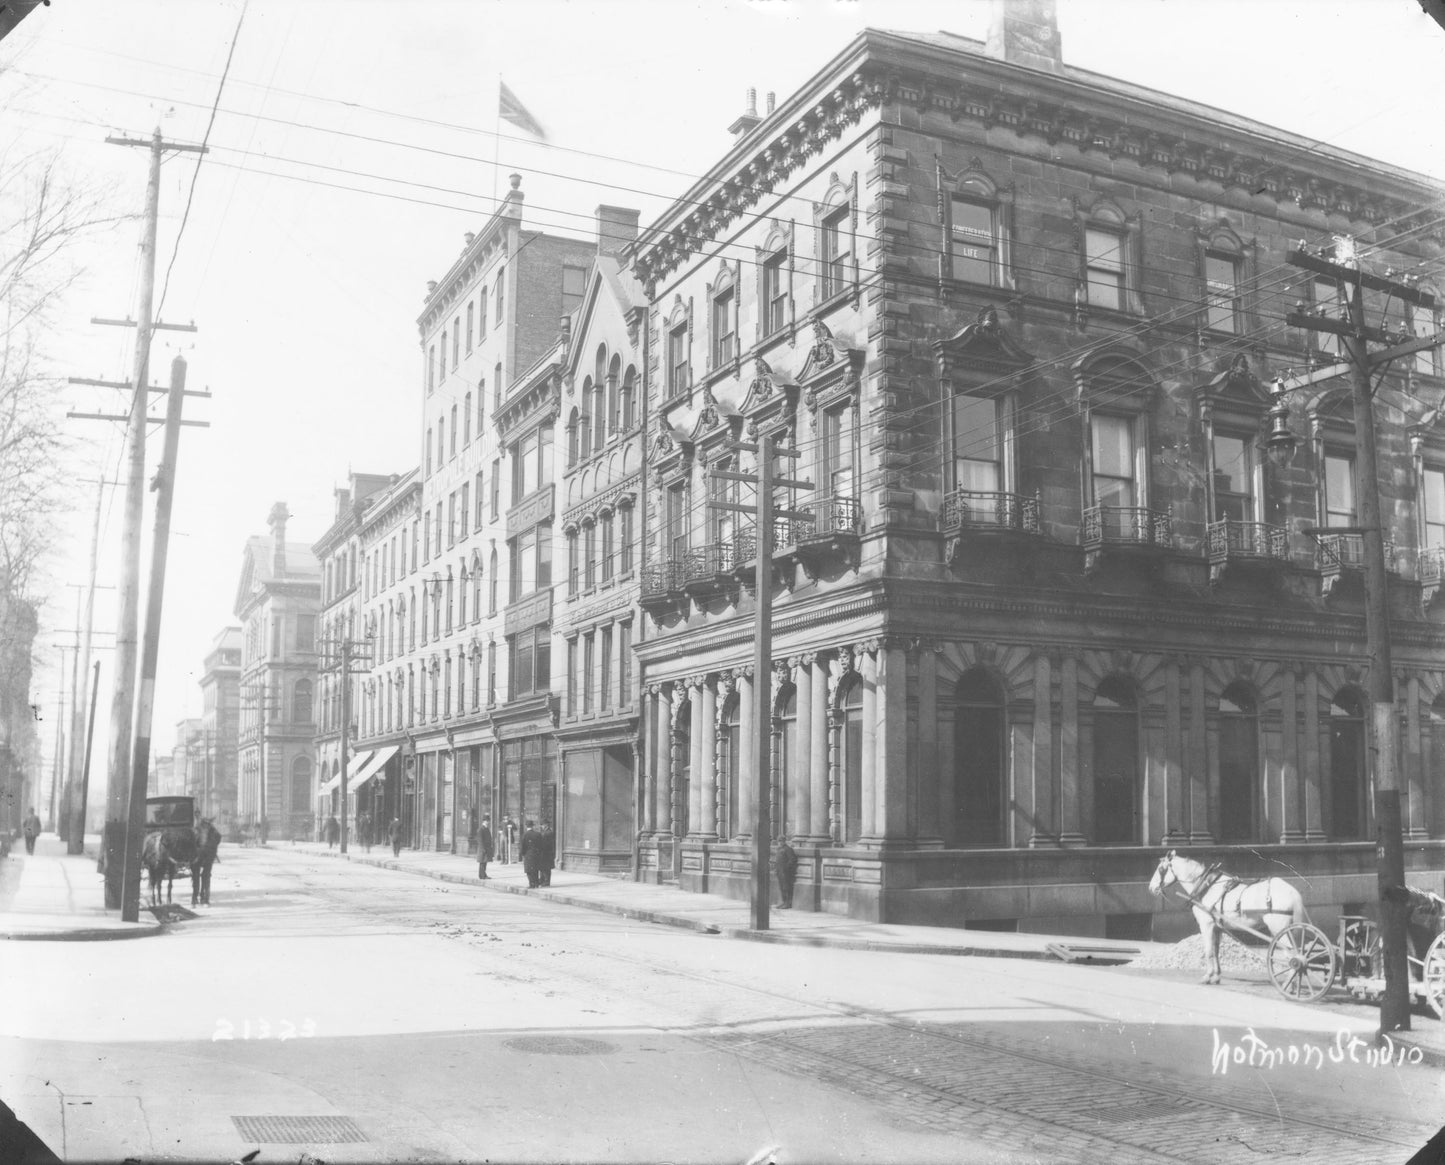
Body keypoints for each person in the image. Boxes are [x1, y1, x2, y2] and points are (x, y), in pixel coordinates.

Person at [774, 838, 798, 910]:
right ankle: (784, 902)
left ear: (784, 841)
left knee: (787, 887)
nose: (780, 842)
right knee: (782, 887)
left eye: (781, 841)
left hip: (786, 872)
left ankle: (788, 903)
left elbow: (792, 859)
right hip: (779, 871)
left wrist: (786, 868)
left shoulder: (788, 849)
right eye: (779, 841)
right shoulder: (779, 849)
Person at [520, 819, 541, 888]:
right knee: (535, 869)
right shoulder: (537, 834)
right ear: (533, 826)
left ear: (527, 826)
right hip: (536, 854)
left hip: (528, 854)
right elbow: (541, 845)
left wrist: (522, 854)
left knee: (529, 870)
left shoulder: (525, 835)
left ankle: (531, 884)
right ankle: (536, 883)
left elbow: (523, 846)